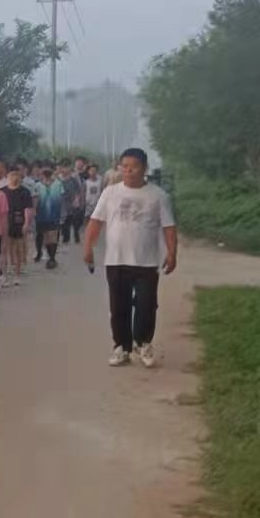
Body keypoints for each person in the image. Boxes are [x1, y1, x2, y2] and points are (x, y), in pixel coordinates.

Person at [84, 149, 179, 369]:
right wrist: (88, 247)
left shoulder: (158, 195)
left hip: (146, 261)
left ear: (144, 168)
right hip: (116, 260)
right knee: (119, 307)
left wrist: (172, 253)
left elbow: (169, 227)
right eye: (124, 166)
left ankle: (143, 343)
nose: (128, 171)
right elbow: (96, 222)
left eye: (134, 166)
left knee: (147, 305)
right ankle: (121, 347)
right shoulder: (110, 193)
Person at [1, 166, 35, 286]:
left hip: (19, 221)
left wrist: (26, 223)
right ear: (7, 176)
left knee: (18, 249)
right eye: (12, 175)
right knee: (5, 249)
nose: (15, 177)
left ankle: (17, 273)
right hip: (5, 222)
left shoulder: (25, 192)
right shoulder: (2, 192)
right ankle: (5, 273)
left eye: (17, 175)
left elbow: (28, 209)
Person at [35, 164, 65, 269]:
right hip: (41, 214)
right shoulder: (37, 185)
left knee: (53, 236)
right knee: (46, 237)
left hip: (54, 214)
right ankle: (49, 256)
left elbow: (61, 199)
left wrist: (63, 213)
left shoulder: (58, 184)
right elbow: (35, 200)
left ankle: (52, 258)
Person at [60, 160, 86, 247]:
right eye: (64, 167)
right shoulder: (58, 179)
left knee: (72, 219)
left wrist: (77, 200)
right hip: (62, 202)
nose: (65, 169)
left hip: (72, 203)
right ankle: (65, 237)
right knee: (64, 220)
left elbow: (78, 190)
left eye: (67, 167)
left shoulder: (73, 179)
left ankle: (74, 234)